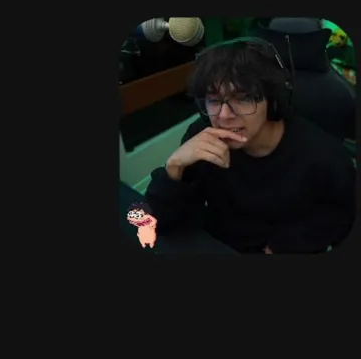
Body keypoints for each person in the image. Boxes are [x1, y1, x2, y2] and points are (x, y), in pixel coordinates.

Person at [145, 38, 356, 254]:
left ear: (272, 101)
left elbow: (343, 216)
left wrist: (291, 242)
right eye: (214, 100)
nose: (224, 116)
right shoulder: (202, 138)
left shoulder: (324, 157)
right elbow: (154, 224)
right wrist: (174, 167)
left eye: (243, 99)